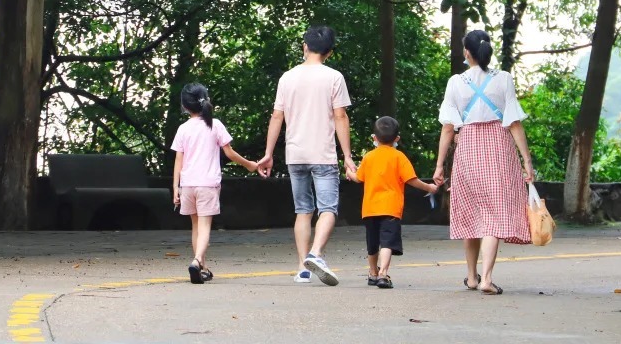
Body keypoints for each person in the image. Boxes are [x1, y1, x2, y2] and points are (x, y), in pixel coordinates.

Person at [432, 30, 535, 295]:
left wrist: (440, 165)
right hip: (499, 148)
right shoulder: (503, 79)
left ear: (467, 52)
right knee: (493, 215)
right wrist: (527, 161)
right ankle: (487, 278)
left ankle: (471, 277)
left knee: (472, 212)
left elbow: (447, 128)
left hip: (468, 148)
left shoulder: (456, 81)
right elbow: (513, 122)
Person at [257, 25, 356, 286]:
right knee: (328, 209)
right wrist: (347, 155)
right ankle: (316, 254)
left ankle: (302, 268)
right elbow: (340, 116)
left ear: (305, 47)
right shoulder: (334, 77)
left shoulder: (287, 78)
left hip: (295, 154)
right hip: (322, 154)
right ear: (330, 52)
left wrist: (268, 153)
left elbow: (277, 116)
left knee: (302, 210)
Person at [171, 82, 259, 284]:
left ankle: (203, 267)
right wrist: (249, 165)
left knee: (195, 227)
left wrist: (176, 187)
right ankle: (196, 261)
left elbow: (178, 160)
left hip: (188, 185)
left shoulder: (183, 129)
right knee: (204, 226)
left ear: (185, 106)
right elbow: (229, 153)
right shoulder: (215, 124)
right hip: (208, 184)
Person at [348, 116, 438, 289]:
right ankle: (383, 274)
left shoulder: (369, 157)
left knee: (372, 242)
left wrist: (349, 172)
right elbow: (411, 179)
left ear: (374, 137)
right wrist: (429, 188)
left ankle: (373, 273)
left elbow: (358, 178)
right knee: (387, 242)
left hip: (370, 208)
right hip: (390, 208)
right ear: (397, 139)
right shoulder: (399, 157)